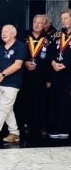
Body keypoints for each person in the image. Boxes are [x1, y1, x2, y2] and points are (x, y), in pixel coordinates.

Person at [0, 25, 26, 144]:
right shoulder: (0, 48)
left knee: (3, 109)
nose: (3, 33)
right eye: (2, 31)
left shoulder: (20, 46)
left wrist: (2, 75)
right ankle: (14, 132)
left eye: (6, 31)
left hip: (12, 83)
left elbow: (17, 65)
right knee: (7, 109)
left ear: (14, 34)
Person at [20, 14, 52, 135]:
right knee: (26, 99)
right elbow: (18, 53)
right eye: (35, 22)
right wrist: (25, 62)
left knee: (41, 100)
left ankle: (41, 125)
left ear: (45, 25)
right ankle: (27, 123)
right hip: (26, 74)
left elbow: (51, 58)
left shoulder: (49, 39)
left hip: (42, 74)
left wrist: (49, 78)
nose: (37, 25)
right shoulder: (24, 36)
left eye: (40, 23)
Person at [47, 8, 71, 139]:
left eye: (66, 18)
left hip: (68, 73)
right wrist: (53, 63)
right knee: (56, 99)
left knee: (65, 100)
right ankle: (57, 126)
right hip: (56, 72)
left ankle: (65, 127)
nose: (63, 21)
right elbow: (50, 51)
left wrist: (66, 64)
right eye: (62, 19)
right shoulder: (58, 34)